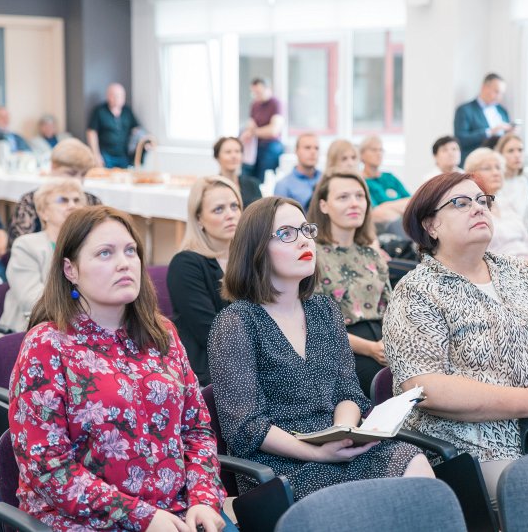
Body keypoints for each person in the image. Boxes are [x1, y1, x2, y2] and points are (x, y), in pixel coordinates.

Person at [384, 172, 528, 507]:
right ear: (431, 226)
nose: (478, 208)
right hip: (472, 443)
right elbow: (424, 387)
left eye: (483, 201)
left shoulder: (517, 272)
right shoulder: (416, 291)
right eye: (461, 203)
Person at [9, 205, 232, 532]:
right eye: (104, 253)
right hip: (89, 521)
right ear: (70, 270)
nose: (124, 262)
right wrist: (143, 517)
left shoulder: (161, 333)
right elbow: (48, 469)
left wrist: (203, 498)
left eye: (131, 251)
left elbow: (196, 430)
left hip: (179, 513)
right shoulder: (47, 346)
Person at [208, 196, 433, 501]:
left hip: (337, 448)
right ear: (256, 249)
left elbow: (348, 393)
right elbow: (246, 427)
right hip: (281, 464)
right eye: (287, 234)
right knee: (348, 503)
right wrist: (318, 454)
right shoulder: (235, 322)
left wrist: (343, 432)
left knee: (416, 464)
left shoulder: (324, 311)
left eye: (306, 230)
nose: (304, 242)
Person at [307, 172, 388, 396]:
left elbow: (391, 308)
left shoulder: (371, 253)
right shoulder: (312, 255)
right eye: (343, 197)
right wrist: (371, 349)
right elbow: (316, 325)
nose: (354, 203)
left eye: (359, 196)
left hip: (385, 342)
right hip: (342, 349)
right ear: (323, 205)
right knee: (386, 385)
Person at [167, 176, 242, 386]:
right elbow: (211, 333)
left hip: (251, 362)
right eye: (219, 209)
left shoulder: (249, 260)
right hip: (209, 373)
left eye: (234, 206)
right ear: (199, 219)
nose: (230, 215)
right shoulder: (185, 264)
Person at [0, 178, 85, 332]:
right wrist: (85, 310)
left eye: (77, 200)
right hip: (32, 331)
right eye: (63, 200)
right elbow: (32, 301)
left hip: (80, 329)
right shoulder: (26, 246)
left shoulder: (87, 247)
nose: (72, 206)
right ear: (44, 212)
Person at [7, 138, 101, 246]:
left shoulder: (93, 202)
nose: (78, 181)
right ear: (53, 167)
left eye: (83, 175)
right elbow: (19, 245)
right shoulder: (31, 201)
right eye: (71, 173)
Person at [464, 148, 528, 269]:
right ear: (472, 175)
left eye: (498, 168)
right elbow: (482, 254)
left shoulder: (506, 202)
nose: (496, 173)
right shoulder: (472, 209)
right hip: (504, 271)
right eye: (487, 168)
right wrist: (522, 264)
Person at [454, 73, 512, 164]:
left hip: (499, 162)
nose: (499, 97)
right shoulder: (465, 110)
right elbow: (460, 139)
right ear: (484, 88)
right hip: (475, 162)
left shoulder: (502, 111)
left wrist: (511, 133)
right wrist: (490, 132)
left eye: (501, 94)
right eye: (496, 92)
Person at [240, 77, 285, 182]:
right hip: (256, 146)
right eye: (254, 92)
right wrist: (250, 132)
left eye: (258, 92)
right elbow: (251, 124)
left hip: (271, 146)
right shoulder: (255, 104)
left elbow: (273, 131)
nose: (256, 95)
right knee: (247, 175)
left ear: (268, 89)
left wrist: (253, 132)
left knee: (263, 178)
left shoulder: (276, 103)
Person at [87, 83, 141, 168]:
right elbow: (92, 133)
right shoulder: (100, 111)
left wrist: (144, 141)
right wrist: (96, 155)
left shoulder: (127, 111)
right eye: (115, 95)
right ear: (108, 96)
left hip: (123, 154)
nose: (118, 98)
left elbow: (136, 129)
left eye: (120, 96)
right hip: (106, 155)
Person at [360, 135, 410, 226]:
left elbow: (412, 202)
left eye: (381, 150)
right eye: (374, 150)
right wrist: (402, 208)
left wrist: (385, 207)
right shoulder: (360, 182)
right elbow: (375, 213)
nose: (378, 153)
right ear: (362, 155)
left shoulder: (390, 177)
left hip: (404, 225)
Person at [273, 133, 321, 210]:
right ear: (296, 151)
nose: (313, 152)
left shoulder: (326, 180)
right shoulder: (283, 185)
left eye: (316, 148)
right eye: (307, 147)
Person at [494, 133, 528, 226]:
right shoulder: (495, 182)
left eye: (520, 150)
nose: (517, 155)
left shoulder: (523, 181)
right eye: (511, 151)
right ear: (500, 155)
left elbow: (526, 218)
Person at [213, 136, 262, 208]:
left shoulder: (253, 184)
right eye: (228, 152)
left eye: (237, 151)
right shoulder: (211, 187)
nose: (234, 156)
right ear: (217, 157)